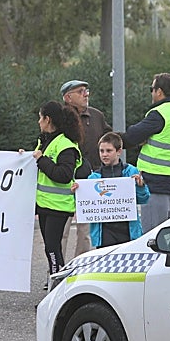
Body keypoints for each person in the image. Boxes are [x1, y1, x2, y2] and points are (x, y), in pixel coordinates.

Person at [122, 72, 170, 233]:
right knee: (165, 235)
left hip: (155, 181)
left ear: (159, 91)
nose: (151, 93)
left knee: (152, 236)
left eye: (152, 89)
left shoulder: (159, 114)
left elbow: (132, 136)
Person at [31, 101, 83, 289]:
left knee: (53, 249)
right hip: (45, 205)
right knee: (51, 249)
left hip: (58, 207)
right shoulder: (45, 140)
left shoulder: (65, 145)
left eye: (40, 117)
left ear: (48, 119)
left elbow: (64, 175)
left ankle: (57, 290)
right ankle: (58, 289)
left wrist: (41, 160)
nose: (38, 122)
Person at [60, 79, 112, 259]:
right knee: (61, 230)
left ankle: (79, 269)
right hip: (63, 180)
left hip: (91, 181)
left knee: (86, 231)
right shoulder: (59, 117)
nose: (86, 94)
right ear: (68, 97)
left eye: (86, 90)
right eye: (81, 91)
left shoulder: (97, 116)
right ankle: (56, 269)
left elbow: (111, 140)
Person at [81, 132, 148, 248]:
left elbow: (143, 199)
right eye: (101, 151)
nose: (104, 155)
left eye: (108, 150)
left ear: (119, 151)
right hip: (104, 232)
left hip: (127, 230)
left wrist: (141, 187)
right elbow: (85, 204)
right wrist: (78, 192)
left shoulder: (131, 172)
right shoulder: (93, 178)